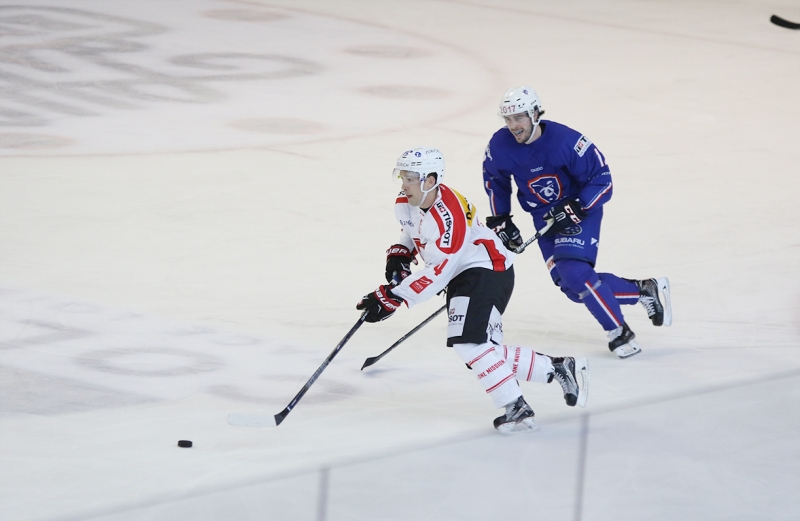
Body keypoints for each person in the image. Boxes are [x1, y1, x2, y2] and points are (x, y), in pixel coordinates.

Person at [356, 147, 588, 434]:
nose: (404, 184)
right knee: (482, 352)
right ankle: (556, 368)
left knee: (470, 344)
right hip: (464, 274)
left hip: (487, 270)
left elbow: (439, 272)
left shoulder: (448, 215)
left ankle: (515, 405)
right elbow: (413, 233)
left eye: (411, 177)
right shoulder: (407, 201)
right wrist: (401, 255)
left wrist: (393, 297)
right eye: (402, 175)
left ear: (430, 180)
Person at [482, 86, 672, 359]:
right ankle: (642, 291)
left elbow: (603, 181)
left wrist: (578, 206)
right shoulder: (499, 145)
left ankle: (619, 332)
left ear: (535, 114)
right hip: (544, 218)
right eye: (508, 119)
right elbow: (494, 180)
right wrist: (501, 218)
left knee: (575, 273)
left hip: (578, 210)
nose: (513, 126)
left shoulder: (567, 141)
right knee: (573, 288)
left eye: (519, 118)